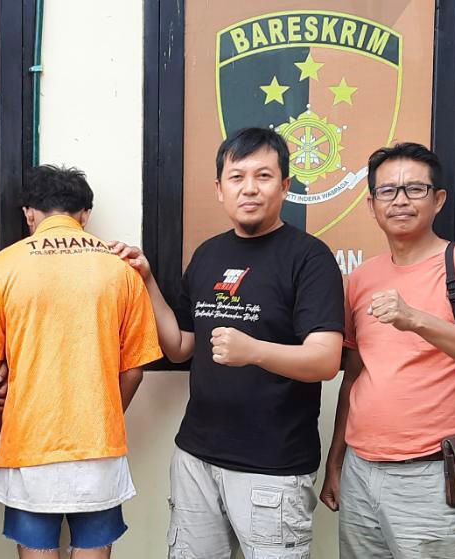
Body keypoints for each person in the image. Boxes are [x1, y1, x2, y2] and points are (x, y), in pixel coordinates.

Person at [111, 127, 344, 557]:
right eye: (237, 177)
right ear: (220, 189)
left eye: (263, 176)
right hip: (196, 457)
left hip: (272, 467)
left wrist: (254, 351)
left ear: (285, 186)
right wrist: (146, 280)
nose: (249, 188)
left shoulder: (310, 258)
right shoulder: (208, 255)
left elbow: (326, 360)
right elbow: (181, 346)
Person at [319, 142, 455, 558]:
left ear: (438, 199)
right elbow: (354, 375)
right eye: (387, 191)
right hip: (360, 469)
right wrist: (335, 461)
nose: (400, 200)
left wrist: (415, 319)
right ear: (371, 205)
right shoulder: (362, 277)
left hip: (432, 473)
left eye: (415, 189)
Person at [0, 165, 162, 559]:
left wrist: (13, 427)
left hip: (29, 449)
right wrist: (101, 418)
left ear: (29, 214)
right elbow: (134, 373)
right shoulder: (121, 270)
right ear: (84, 215)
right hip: (100, 449)